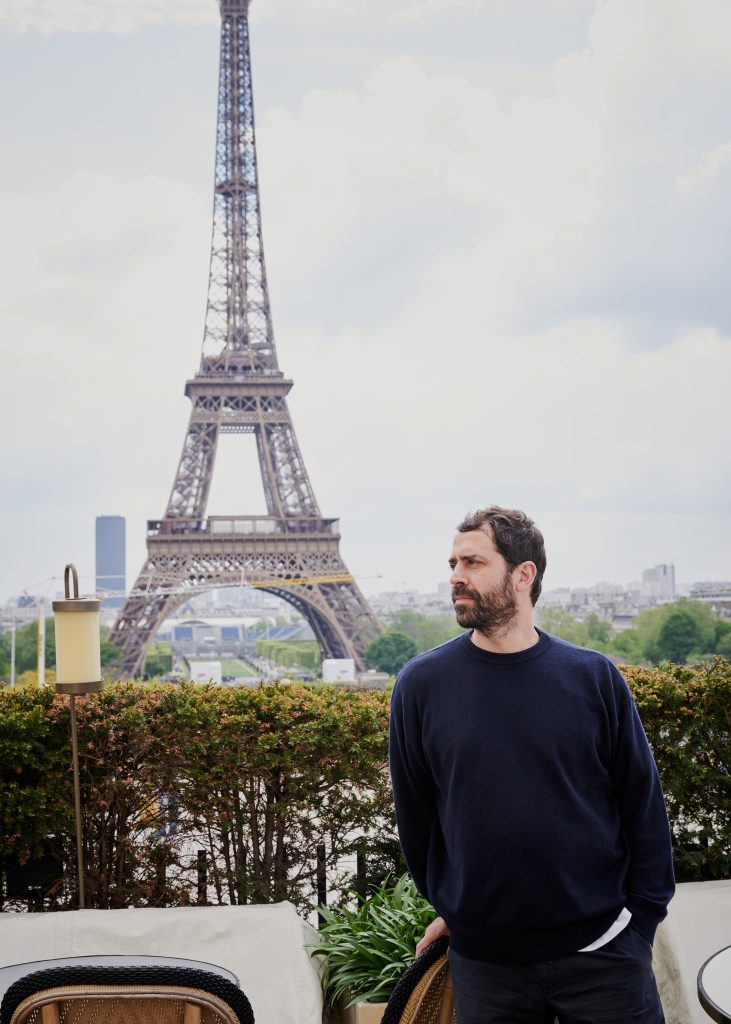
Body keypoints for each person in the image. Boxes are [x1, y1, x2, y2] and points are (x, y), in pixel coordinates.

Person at [389, 506, 674, 1024]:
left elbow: (642, 806)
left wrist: (640, 925)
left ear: (524, 574)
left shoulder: (593, 677)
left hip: (606, 955)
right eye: (452, 562)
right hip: (486, 965)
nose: (455, 575)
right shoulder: (421, 685)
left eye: (473, 562)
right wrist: (458, 909)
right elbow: (416, 816)